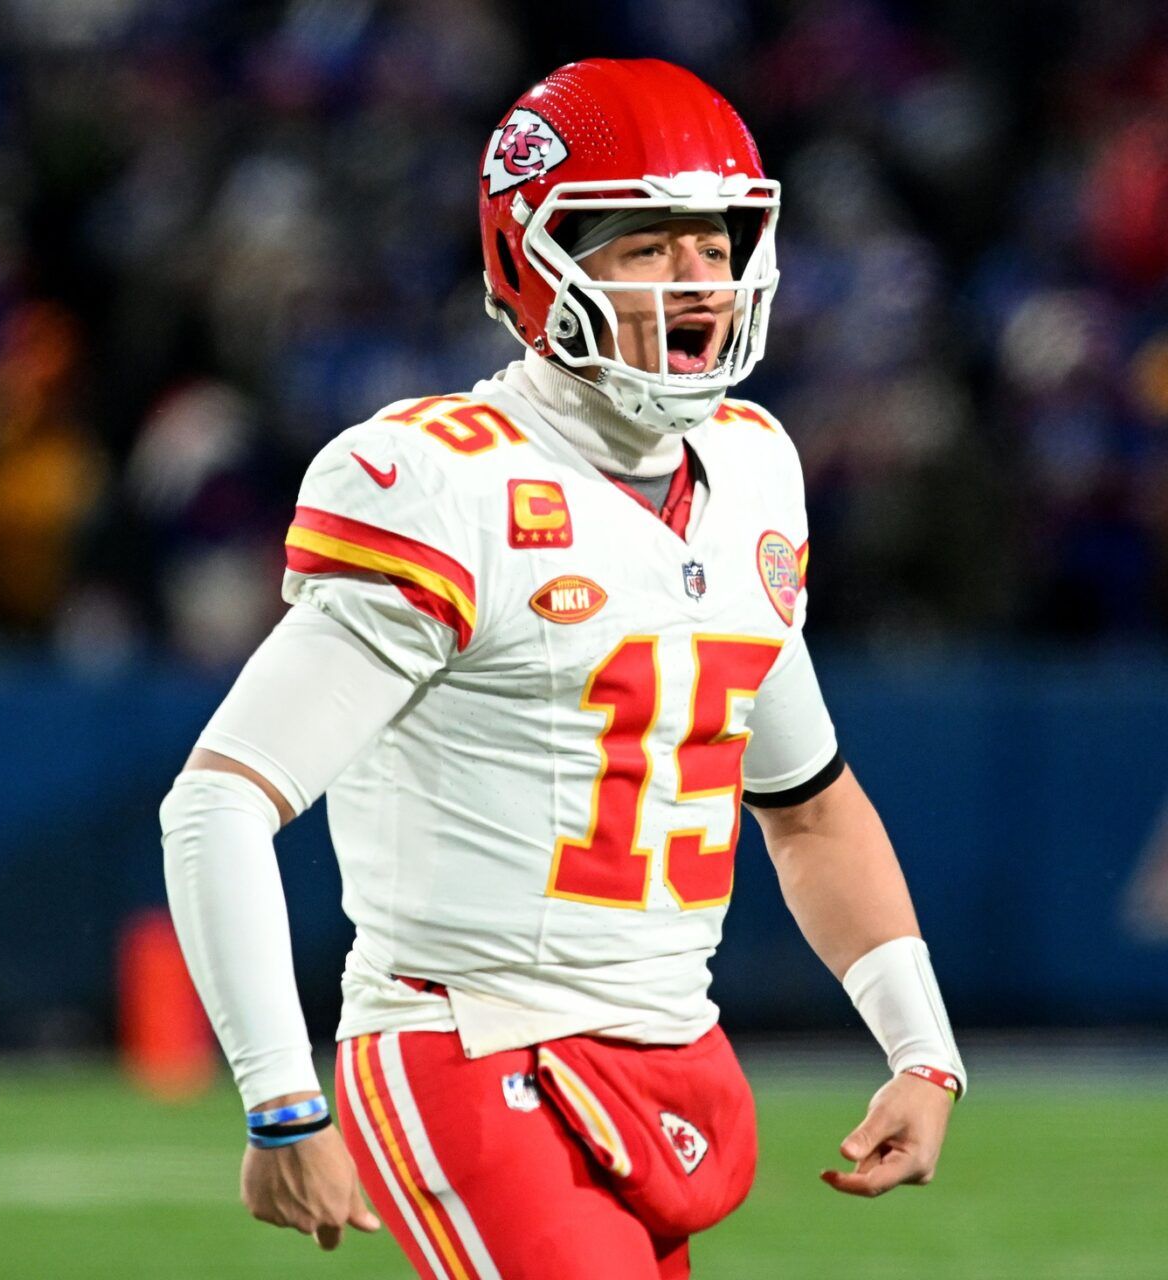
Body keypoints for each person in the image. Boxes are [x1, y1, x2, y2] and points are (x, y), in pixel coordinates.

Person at [160, 59, 964, 1279]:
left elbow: (808, 806)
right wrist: (281, 1095)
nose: (697, 280)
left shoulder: (751, 466)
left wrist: (921, 1045)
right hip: (468, 1044)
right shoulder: (443, 482)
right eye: (648, 245)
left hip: (667, 1053)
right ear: (537, 261)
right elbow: (217, 800)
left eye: (716, 242)